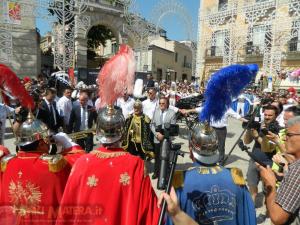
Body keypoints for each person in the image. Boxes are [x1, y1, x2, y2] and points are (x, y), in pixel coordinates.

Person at [56, 105, 160, 225]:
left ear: (98, 132)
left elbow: (68, 207)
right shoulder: (136, 164)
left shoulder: (82, 162)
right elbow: (149, 211)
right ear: (122, 132)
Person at [166, 122, 256, 225]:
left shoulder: (180, 180)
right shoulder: (235, 176)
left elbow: (171, 219)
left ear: (191, 150)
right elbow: (248, 218)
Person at [0, 115, 71, 225]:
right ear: (42, 144)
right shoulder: (54, 164)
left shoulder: (6, 162)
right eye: (47, 140)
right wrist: (71, 146)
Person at [257, 116, 300, 225]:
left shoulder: (297, 169)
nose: (285, 138)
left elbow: (277, 218)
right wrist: (285, 173)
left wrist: (270, 183)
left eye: (289, 135)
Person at [244, 104, 281, 201]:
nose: (267, 117)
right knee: (252, 187)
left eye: (270, 115)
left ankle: (268, 214)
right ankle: (251, 210)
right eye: (265, 115)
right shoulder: (259, 125)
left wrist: (257, 137)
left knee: (268, 191)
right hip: (254, 161)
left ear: (276, 116)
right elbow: (246, 141)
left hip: (268, 164)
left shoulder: (277, 129)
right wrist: (250, 129)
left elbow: (269, 148)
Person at [150, 97, 176, 179]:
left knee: (166, 157)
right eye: (160, 103)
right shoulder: (156, 112)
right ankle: (156, 172)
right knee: (157, 156)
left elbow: (173, 128)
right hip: (157, 138)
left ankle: (166, 174)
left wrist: (163, 135)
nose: (161, 105)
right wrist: (157, 134)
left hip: (166, 139)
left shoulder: (172, 113)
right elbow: (152, 124)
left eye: (163, 103)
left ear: (167, 104)